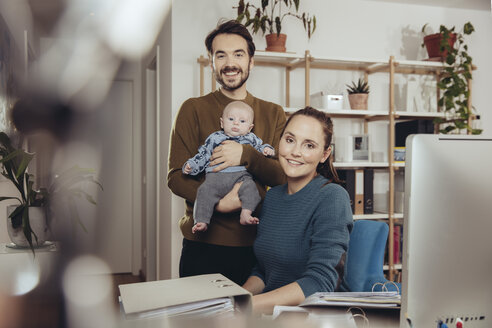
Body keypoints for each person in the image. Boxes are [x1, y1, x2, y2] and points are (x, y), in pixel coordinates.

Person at [167, 19, 286, 285]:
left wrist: (244, 155)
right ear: (212, 63)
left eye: (238, 54)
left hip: (258, 248)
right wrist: (218, 205)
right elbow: (175, 176)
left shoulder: (273, 113)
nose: (229, 63)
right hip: (202, 248)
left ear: (251, 61)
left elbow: (282, 176)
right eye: (221, 55)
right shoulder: (193, 109)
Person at [242, 107, 353, 314]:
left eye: (309, 145)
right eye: (290, 140)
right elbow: (264, 271)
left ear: (324, 154)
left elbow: (320, 282)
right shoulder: (273, 197)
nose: (295, 152)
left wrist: (247, 307)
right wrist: (237, 299)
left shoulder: (332, 197)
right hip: (270, 315)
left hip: (315, 318)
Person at [182, 101, 275, 233]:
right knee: (204, 192)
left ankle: (246, 214)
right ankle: (201, 221)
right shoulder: (215, 138)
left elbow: (260, 149)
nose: (236, 123)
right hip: (215, 177)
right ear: (222, 123)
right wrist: (192, 165)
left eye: (242, 121)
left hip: (241, 177)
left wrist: (266, 149)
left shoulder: (251, 138)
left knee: (251, 189)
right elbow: (204, 154)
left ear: (249, 127)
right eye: (231, 119)